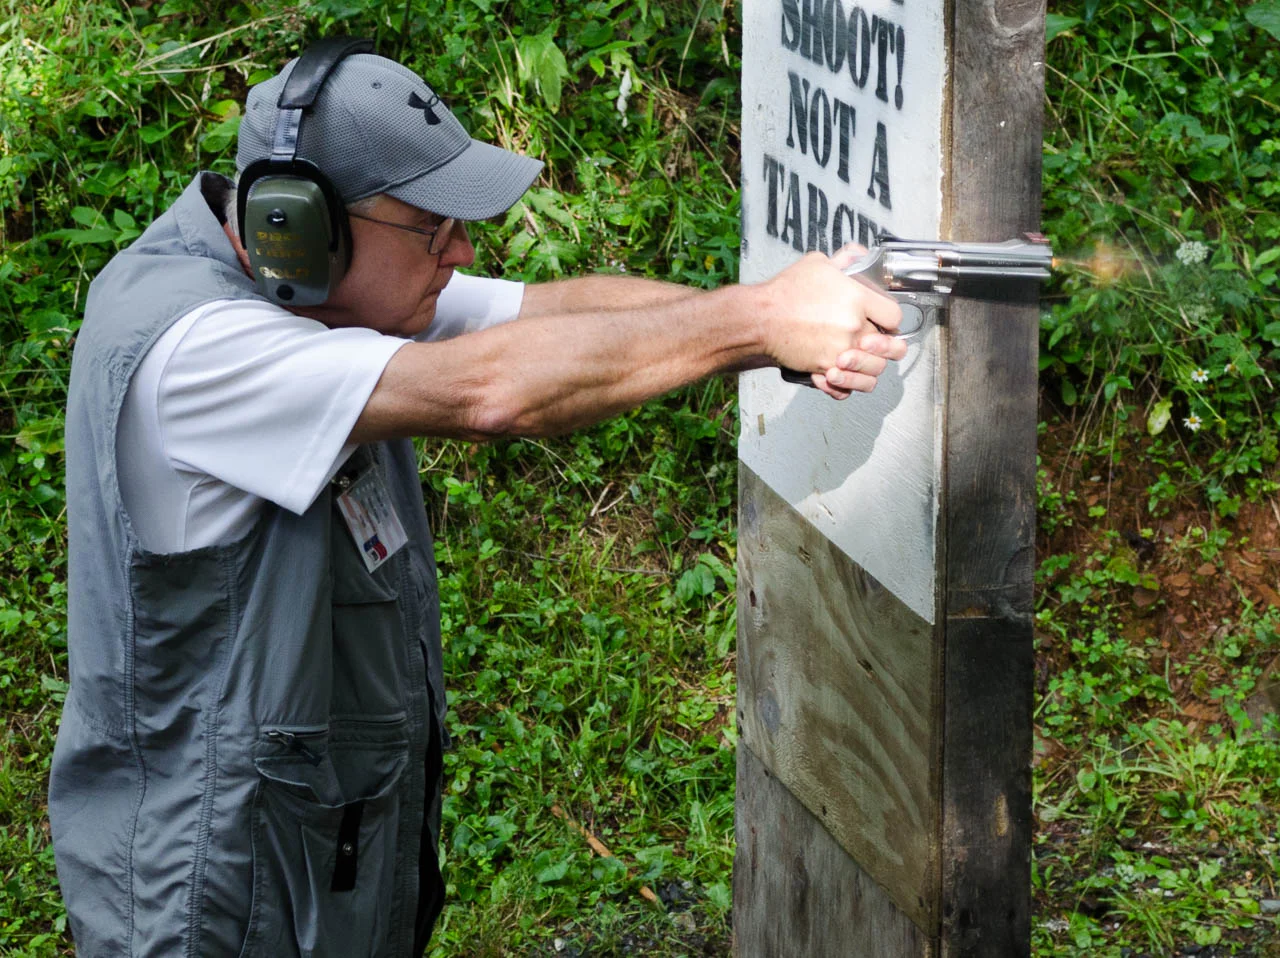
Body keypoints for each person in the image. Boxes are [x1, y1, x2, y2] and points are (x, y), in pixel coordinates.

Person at [49, 42, 904, 958]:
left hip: (302, 850)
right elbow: (490, 390)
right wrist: (759, 321)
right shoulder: (200, 353)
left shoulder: (331, 289)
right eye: (431, 228)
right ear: (299, 226)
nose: (460, 252)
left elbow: (550, 315)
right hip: (209, 893)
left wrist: (776, 326)